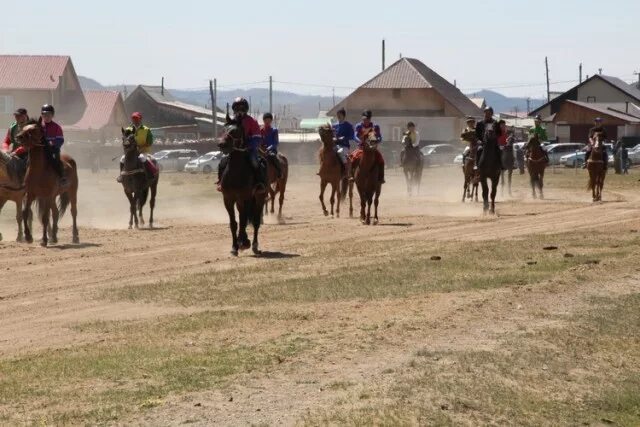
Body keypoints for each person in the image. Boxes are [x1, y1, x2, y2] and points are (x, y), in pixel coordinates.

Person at [217, 97, 265, 193]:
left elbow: (257, 137)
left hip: (248, 149)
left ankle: (260, 183)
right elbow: (225, 135)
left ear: (246, 109)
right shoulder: (230, 122)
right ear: (234, 110)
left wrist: (249, 145)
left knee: (255, 162)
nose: (239, 110)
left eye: (241, 108)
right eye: (237, 108)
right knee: (222, 162)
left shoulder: (252, 121)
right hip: (234, 150)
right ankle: (221, 182)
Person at [117, 112, 158, 182]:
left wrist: (140, 146)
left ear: (140, 119)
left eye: (137, 119)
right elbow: (125, 141)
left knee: (142, 158)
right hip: (131, 152)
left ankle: (150, 174)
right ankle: (121, 175)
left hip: (143, 151)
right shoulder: (128, 129)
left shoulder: (146, 129)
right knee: (122, 159)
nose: (135, 120)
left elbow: (150, 142)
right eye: (133, 119)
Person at [352, 110, 385, 183]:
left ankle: (381, 177)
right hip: (361, 148)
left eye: (367, 119)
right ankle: (351, 176)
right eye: (364, 119)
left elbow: (379, 137)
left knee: (381, 160)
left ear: (370, 119)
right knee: (353, 158)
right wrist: (359, 141)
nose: (365, 120)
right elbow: (355, 135)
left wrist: (377, 141)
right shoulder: (359, 126)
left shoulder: (375, 126)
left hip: (372, 148)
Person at [40, 104, 68, 187]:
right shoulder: (39, 126)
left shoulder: (57, 127)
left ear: (52, 115)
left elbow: (60, 140)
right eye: (44, 114)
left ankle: (62, 177)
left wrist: (53, 144)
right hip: (41, 150)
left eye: (49, 114)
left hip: (53, 150)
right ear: (42, 115)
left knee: (56, 161)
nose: (46, 116)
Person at [332, 108, 355, 172]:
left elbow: (352, 136)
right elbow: (331, 135)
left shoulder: (348, 125)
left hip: (344, 146)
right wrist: (332, 138)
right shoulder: (334, 126)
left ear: (343, 116)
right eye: (337, 114)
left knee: (340, 152)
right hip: (334, 145)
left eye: (340, 114)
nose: (338, 116)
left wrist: (344, 138)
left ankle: (346, 169)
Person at [260, 112, 282, 178]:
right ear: (263, 121)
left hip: (271, 150)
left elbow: (276, 142)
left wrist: (268, 148)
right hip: (261, 149)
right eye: (266, 120)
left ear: (271, 121)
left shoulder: (274, 130)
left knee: (272, 156)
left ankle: (279, 172)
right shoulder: (260, 130)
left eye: (269, 120)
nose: (267, 122)